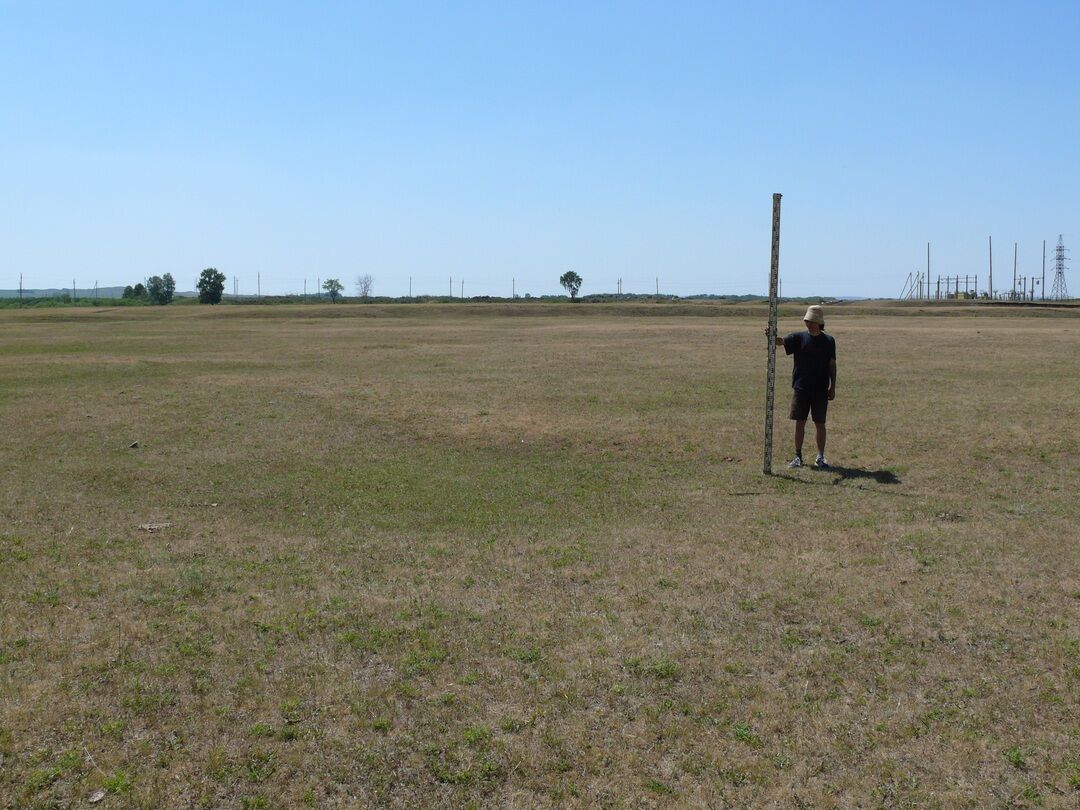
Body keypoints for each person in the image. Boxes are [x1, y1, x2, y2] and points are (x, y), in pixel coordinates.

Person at [767, 304, 837, 468]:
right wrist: (771, 336)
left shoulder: (829, 341)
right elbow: (781, 341)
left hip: (820, 389)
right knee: (800, 422)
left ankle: (820, 457)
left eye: (812, 321)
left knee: (820, 424)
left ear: (819, 322)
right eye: (807, 321)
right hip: (801, 388)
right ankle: (798, 456)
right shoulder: (798, 337)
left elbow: (832, 365)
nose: (809, 324)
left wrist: (832, 387)